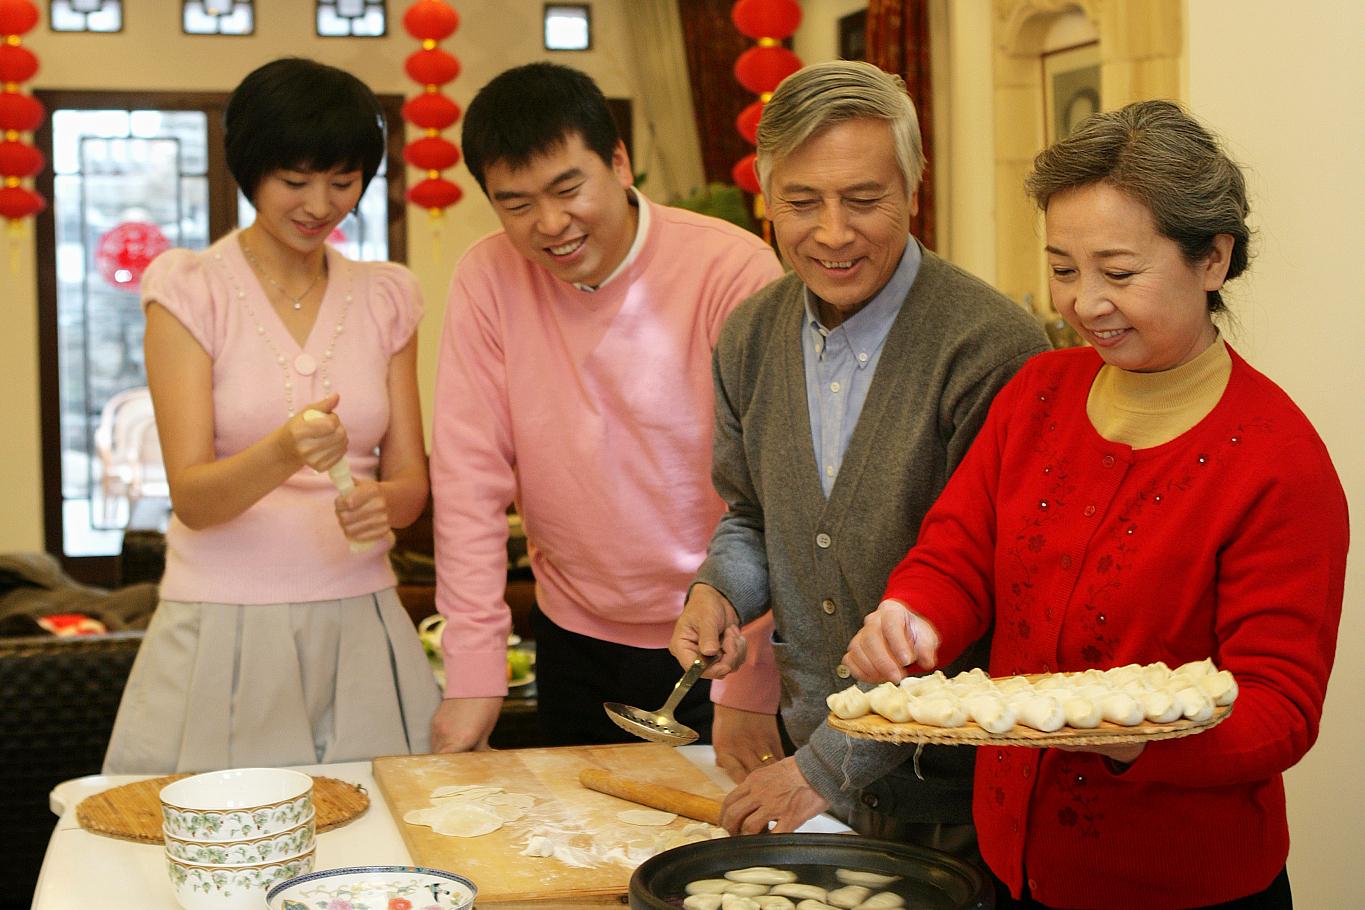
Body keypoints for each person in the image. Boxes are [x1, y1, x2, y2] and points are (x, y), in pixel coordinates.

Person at [842, 100, 1348, 909]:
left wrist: (1128, 736)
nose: (1083, 303)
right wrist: (915, 616)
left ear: (1212, 259)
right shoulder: (1037, 392)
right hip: (1010, 859)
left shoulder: (1274, 458)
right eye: (1063, 268)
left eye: (1117, 272)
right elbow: (958, 552)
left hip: (1180, 885)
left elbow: (1279, 708)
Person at [668, 60, 1050, 848]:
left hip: (959, 789)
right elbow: (752, 514)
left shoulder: (989, 347)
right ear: (765, 200)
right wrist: (718, 592)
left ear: (913, 188)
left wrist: (828, 764)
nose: (833, 233)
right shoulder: (750, 335)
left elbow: (994, 587)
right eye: (801, 202)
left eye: (864, 200)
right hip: (819, 774)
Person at [428, 63, 782, 753]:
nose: (550, 224)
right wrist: (474, 675)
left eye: (568, 190)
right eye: (516, 204)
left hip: (719, 636)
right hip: (572, 632)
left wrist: (753, 681)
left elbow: (778, 489)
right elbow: (469, 480)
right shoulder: (487, 277)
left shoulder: (730, 270)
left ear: (618, 162)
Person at [103, 57, 439, 773]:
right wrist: (285, 450)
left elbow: (411, 484)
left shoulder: (387, 297)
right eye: (295, 181)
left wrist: (382, 502)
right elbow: (194, 500)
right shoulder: (191, 289)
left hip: (362, 614)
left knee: (379, 827)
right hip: (223, 618)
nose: (320, 205)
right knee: (221, 828)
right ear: (250, 170)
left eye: (343, 182)